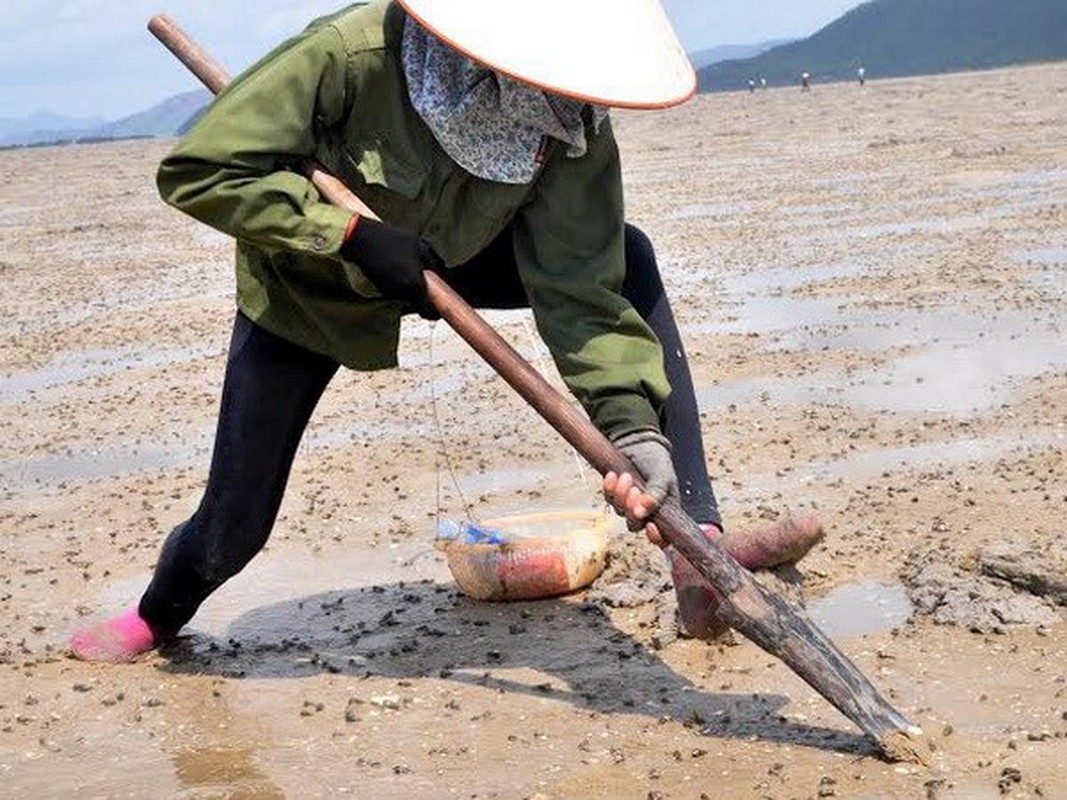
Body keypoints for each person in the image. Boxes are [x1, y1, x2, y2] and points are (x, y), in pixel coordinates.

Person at [70, 0, 822, 662]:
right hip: (314, 284)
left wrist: (630, 430)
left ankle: (697, 549)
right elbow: (201, 171)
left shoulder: (566, 119)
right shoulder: (352, 52)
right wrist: (347, 235)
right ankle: (155, 616)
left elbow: (579, 289)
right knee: (234, 528)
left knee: (627, 256)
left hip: (452, 261)